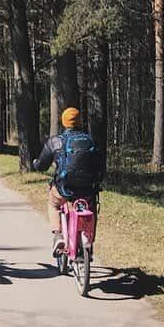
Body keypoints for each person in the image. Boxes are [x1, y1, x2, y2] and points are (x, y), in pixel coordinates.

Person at [32, 107, 102, 256]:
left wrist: (36, 164)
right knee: (92, 209)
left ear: (64, 122)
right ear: (79, 121)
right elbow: (99, 164)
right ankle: (89, 240)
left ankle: (58, 234)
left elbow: (42, 164)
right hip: (87, 190)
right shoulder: (91, 140)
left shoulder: (55, 141)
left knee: (53, 204)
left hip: (64, 188)